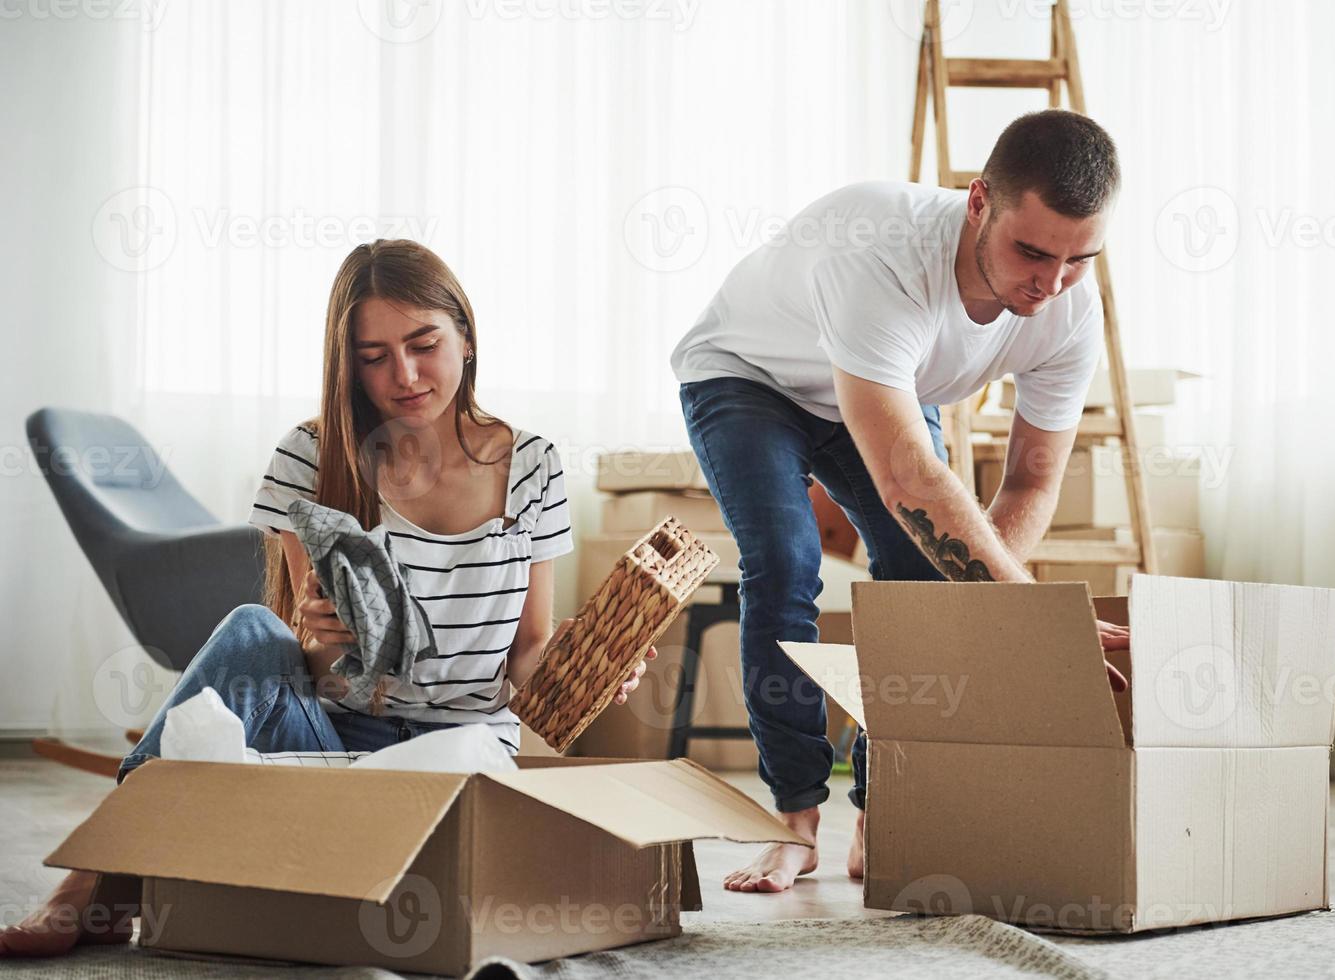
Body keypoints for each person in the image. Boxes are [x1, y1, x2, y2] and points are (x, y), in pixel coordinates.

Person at [0, 239, 651, 957]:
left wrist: (589, 672)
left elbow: (527, 654)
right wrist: (321, 646)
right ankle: (89, 881)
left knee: (460, 757)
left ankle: (148, 868)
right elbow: (316, 675)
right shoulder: (309, 455)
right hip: (330, 749)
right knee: (254, 629)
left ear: (466, 336)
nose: (403, 375)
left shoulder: (532, 464)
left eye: (423, 343)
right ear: (347, 365)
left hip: (463, 753)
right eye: (373, 356)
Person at [671, 110, 1131, 894]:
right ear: (979, 200)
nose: (1049, 283)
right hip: (751, 375)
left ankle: (886, 812)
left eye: (1078, 259)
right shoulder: (884, 251)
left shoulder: (1070, 311)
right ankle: (793, 822)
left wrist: (989, 609)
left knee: (926, 582)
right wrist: (1035, 621)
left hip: (883, 387)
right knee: (785, 561)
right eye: (1031, 251)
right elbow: (910, 480)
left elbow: (1029, 482)